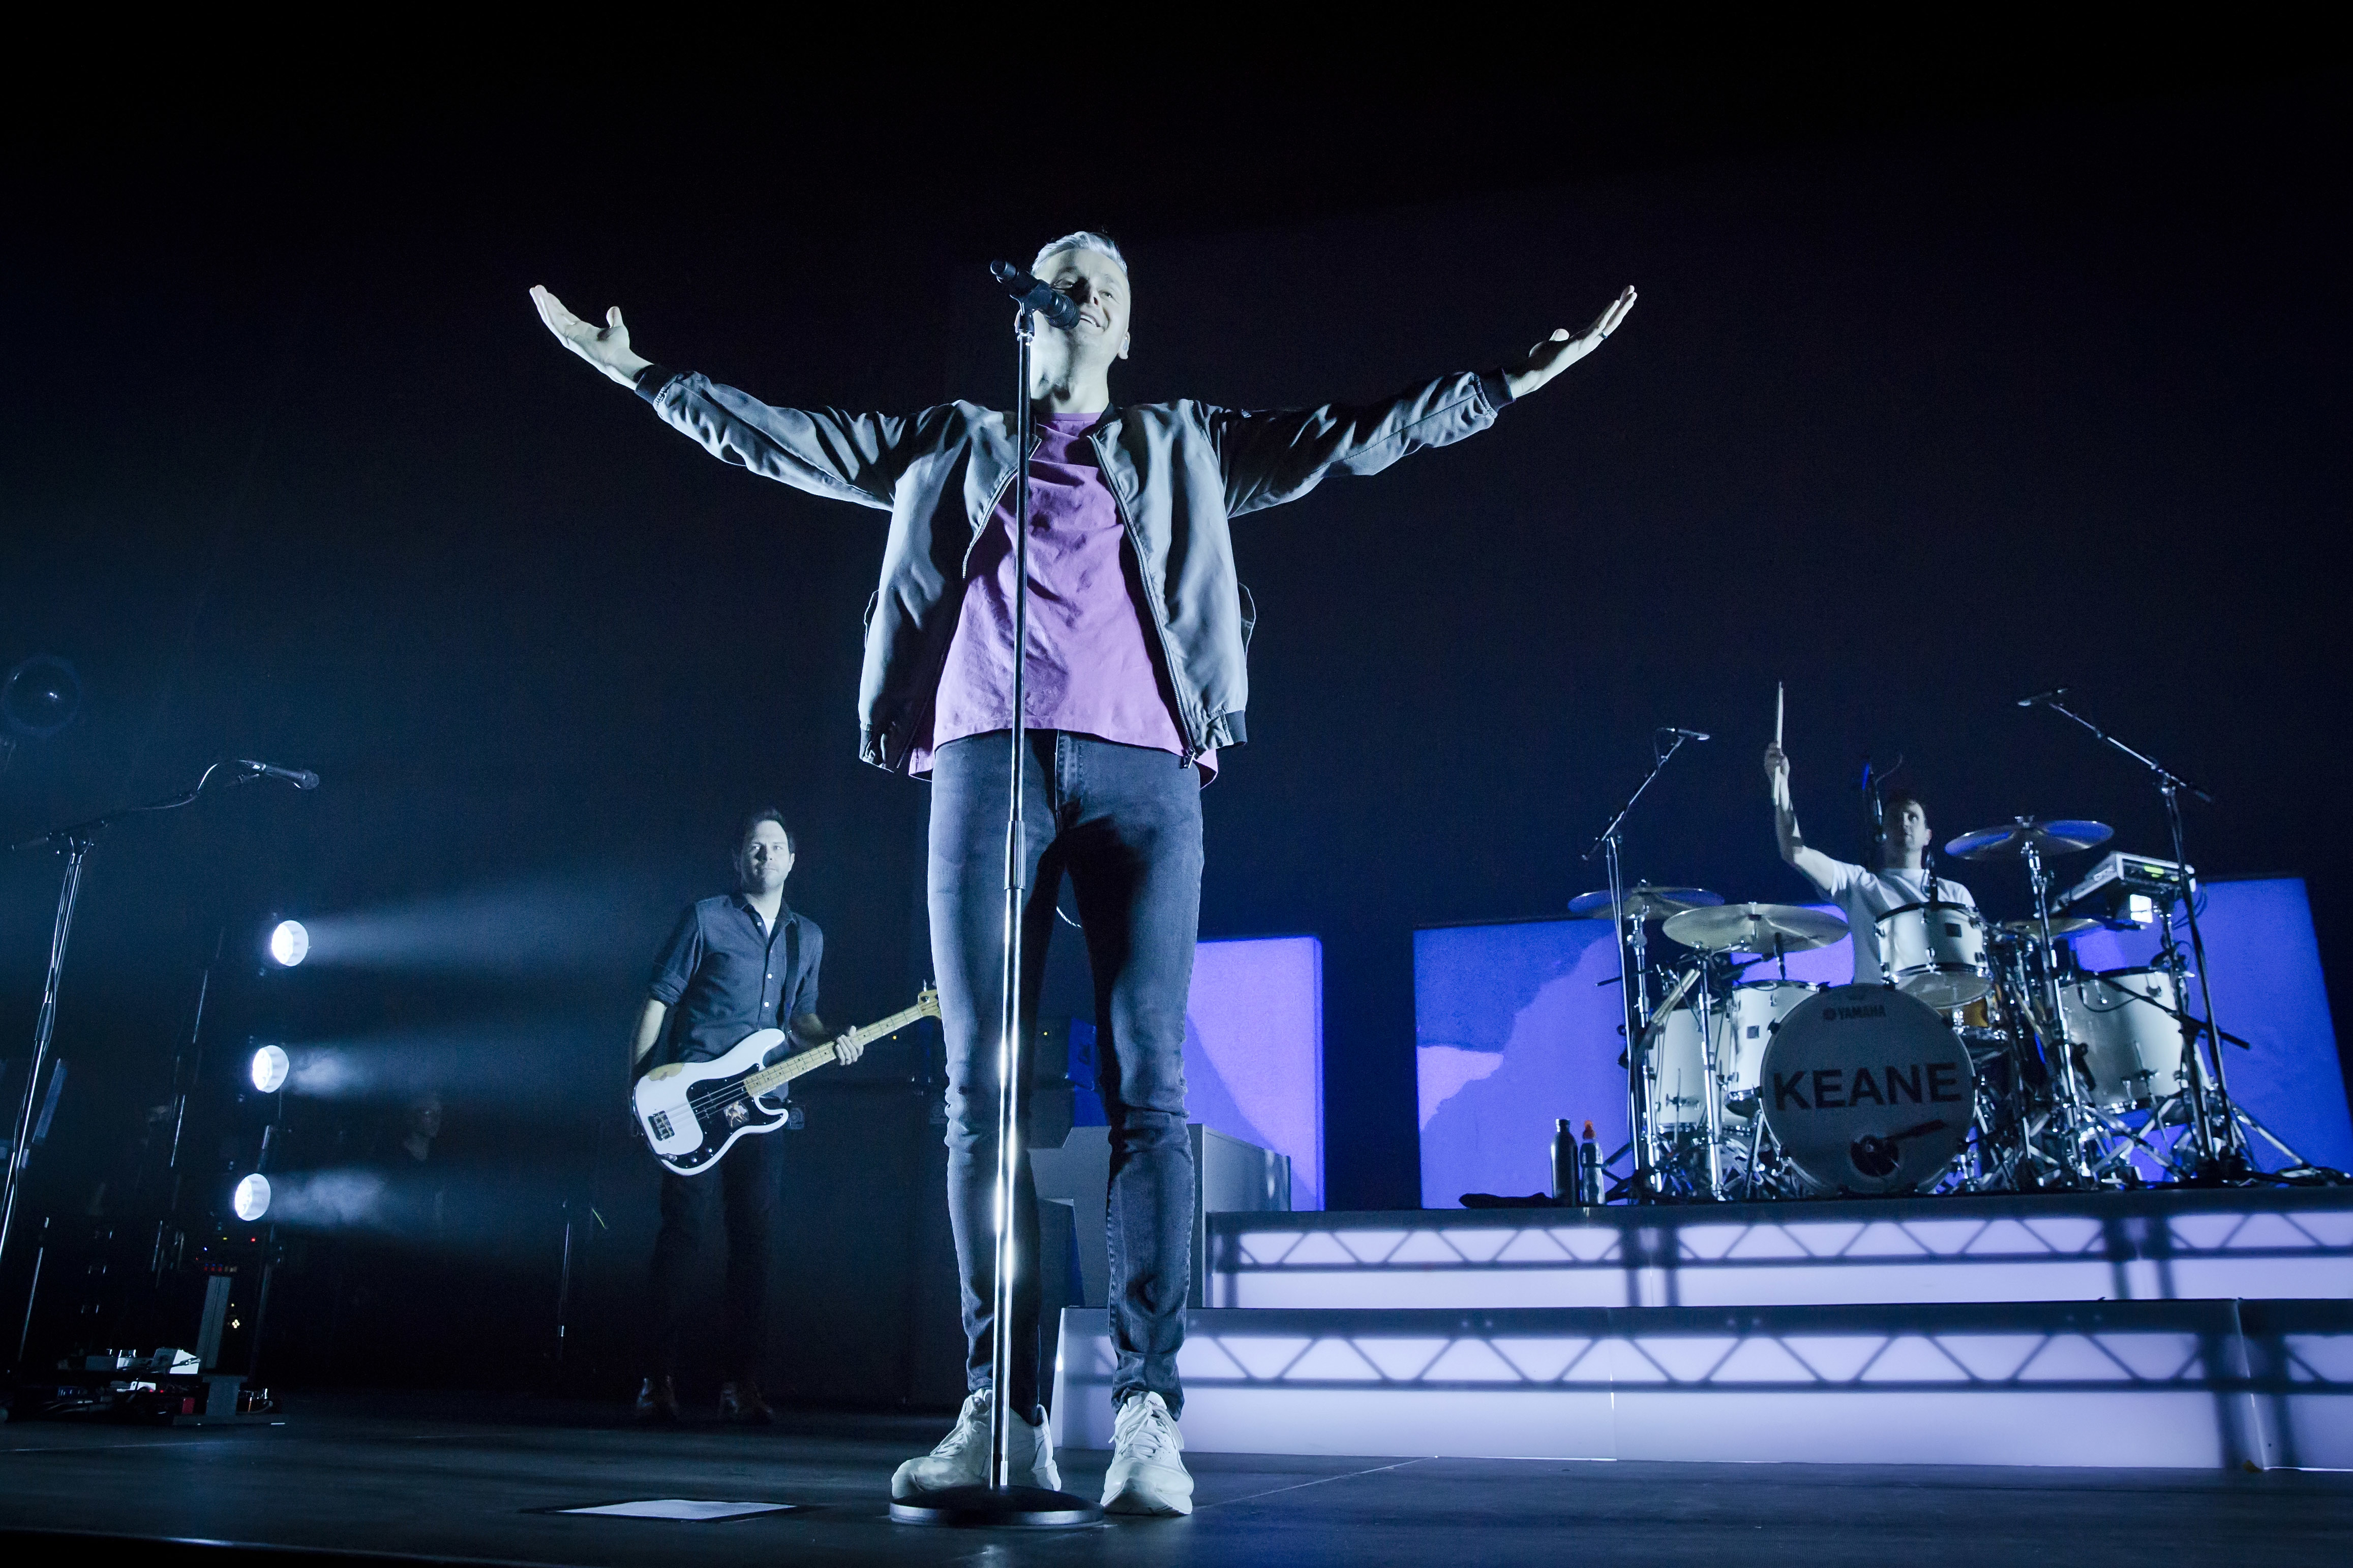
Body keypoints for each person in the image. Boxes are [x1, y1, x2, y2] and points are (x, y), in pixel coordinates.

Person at [535, 237, 1635, 1511]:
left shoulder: (1182, 441)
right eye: (1069, 264)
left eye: (1111, 275)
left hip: (1145, 778)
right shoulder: (947, 440)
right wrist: (644, 378)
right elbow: (782, 439)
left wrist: (1502, 384)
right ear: (1034, 311)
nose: (1091, 278)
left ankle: (1147, 1417)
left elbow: (1354, 434)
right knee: (977, 1093)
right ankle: (993, 1410)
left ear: (1123, 325)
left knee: (1146, 1086)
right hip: (980, 767)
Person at [627, 809, 859, 1424]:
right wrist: (639, 1090)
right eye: (755, 848)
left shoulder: (806, 936)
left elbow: (802, 1021)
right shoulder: (704, 917)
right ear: (740, 858)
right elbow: (659, 1001)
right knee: (680, 1239)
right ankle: (656, 1379)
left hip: (762, 1106)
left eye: (776, 847)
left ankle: (743, 1384)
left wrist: (835, 1038)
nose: (765, 857)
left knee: (754, 1247)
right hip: (693, 1099)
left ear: (792, 858)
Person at [1764, 743, 1976, 984]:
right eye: (1895, 818)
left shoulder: (1955, 894)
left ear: (1928, 835)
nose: (1903, 822)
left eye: (1912, 817)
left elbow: (1974, 970)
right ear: (1882, 831)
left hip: (1943, 1010)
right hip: (1878, 1014)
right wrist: (1780, 785)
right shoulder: (1858, 884)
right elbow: (1795, 852)